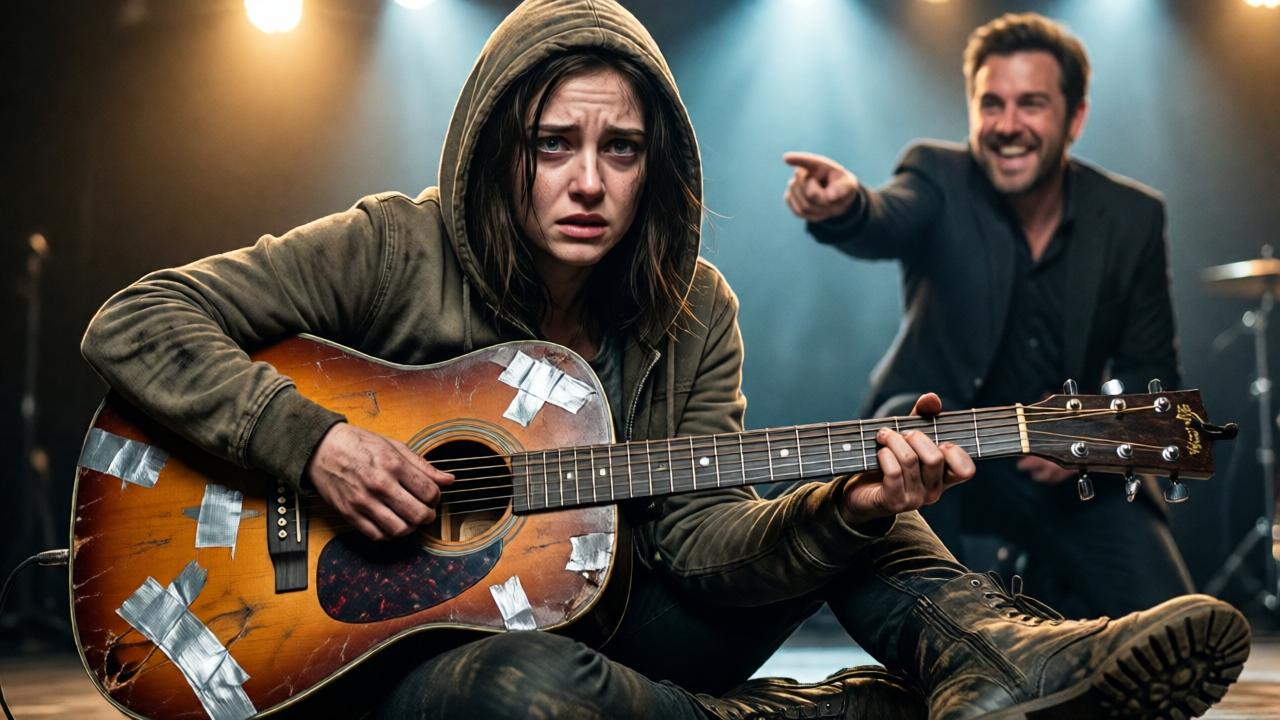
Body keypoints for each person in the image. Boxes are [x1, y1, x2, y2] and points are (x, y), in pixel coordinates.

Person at [83, 1, 1247, 718]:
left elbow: (700, 541)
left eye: (620, 149)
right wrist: (313, 439)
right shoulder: (396, 245)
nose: (587, 180)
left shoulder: (693, 307)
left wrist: (843, 507)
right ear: (501, 151)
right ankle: (825, 719)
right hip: (388, 649)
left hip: (635, 620)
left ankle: (993, 663)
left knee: (850, 499)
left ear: (658, 167)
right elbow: (135, 320)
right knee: (513, 696)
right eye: (554, 144)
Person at [783, 12, 1196, 620]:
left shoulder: (1132, 218)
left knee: (1165, 632)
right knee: (909, 451)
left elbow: (1150, 372)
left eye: (1030, 104)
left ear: (1074, 117)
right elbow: (884, 216)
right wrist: (845, 206)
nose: (1007, 125)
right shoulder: (937, 175)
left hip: (1071, 463)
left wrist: (1091, 440)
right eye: (991, 104)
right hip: (939, 454)